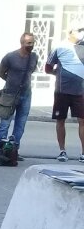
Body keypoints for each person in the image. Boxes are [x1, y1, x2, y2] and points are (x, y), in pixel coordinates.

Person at [45, 24, 84, 162]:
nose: (81, 33)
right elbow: (48, 67)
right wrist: (59, 74)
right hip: (62, 90)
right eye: (79, 30)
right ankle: (62, 151)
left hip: (80, 91)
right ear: (70, 32)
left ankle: (83, 153)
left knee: (82, 121)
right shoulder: (59, 47)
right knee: (60, 120)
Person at [0, 34, 39, 149]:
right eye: (28, 43)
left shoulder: (34, 57)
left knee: (20, 124)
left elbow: (31, 71)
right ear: (22, 43)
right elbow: (1, 73)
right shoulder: (10, 57)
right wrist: (12, 81)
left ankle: (13, 150)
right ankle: (0, 149)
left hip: (26, 94)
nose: (31, 45)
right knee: (5, 123)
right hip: (10, 93)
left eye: (33, 43)